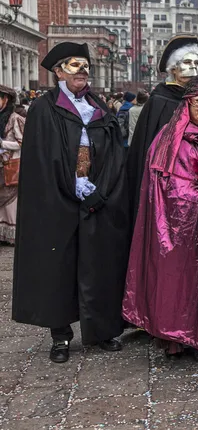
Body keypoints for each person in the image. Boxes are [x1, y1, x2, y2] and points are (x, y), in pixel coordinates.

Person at [12, 42, 129, 363]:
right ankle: (61, 336)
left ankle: (103, 330)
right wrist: (73, 186)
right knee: (58, 267)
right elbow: (42, 158)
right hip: (58, 201)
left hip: (98, 201)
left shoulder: (101, 108)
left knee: (100, 265)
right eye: (75, 66)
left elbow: (117, 154)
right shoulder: (44, 109)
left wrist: (100, 191)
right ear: (59, 72)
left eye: (85, 66)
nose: (83, 71)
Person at [123, 76, 198, 362]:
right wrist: (193, 193)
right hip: (176, 225)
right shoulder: (168, 138)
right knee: (177, 278)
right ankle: (174, 338)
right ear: (187, 105)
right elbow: (158, 183)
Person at [127, 35, 198, 222]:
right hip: (165, 184)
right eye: (187, 62)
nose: (193, 67)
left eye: (197, 63)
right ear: (174, 68)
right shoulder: (159, 101)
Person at [0, 86, 25, 244]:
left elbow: (23, 142)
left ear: (5, 99)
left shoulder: (15, 118)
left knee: (11, 203)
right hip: (1, 165)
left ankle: (12, 235)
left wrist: (3, 144)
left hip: (12, 165)